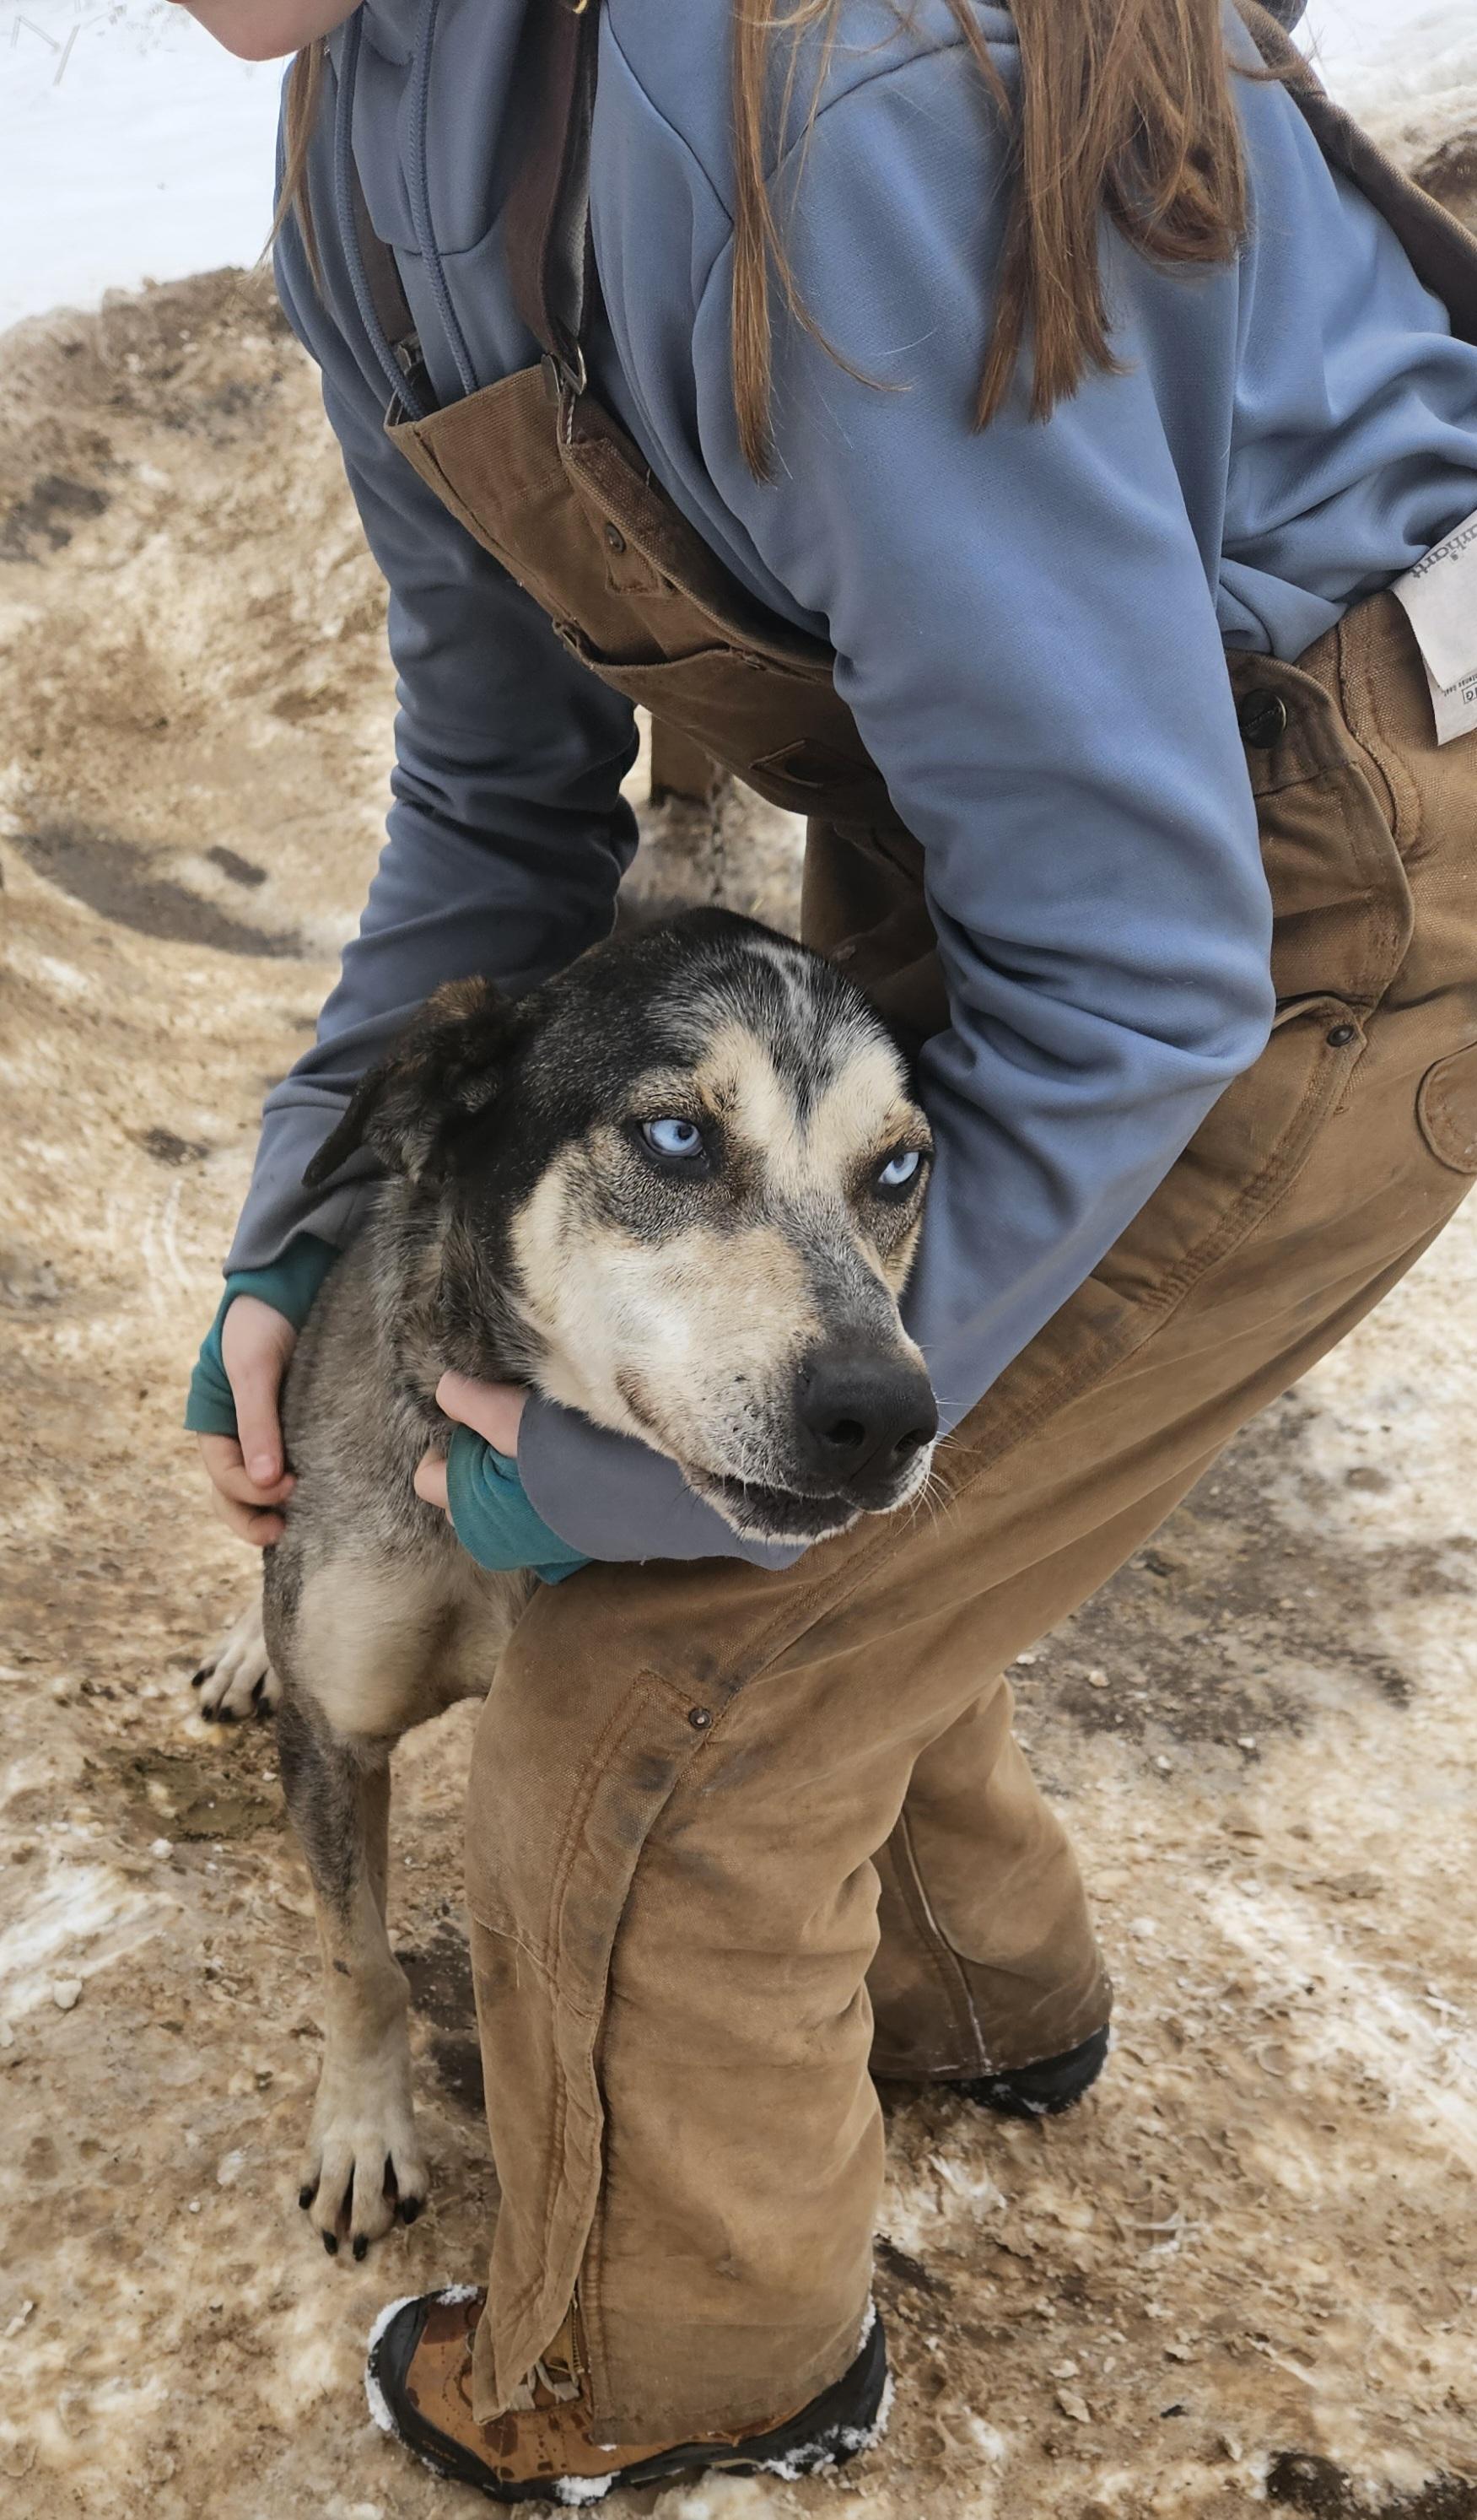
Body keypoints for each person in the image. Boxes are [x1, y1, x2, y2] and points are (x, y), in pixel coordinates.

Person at [177, 0, 1477, 2498]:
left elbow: (1140, 968)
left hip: (1308, 854)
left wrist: (616, 1506)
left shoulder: (804, 91)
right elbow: (490, 807)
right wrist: (298, 1231)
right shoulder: (366, 158)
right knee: (851, 1479)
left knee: (661, 1685)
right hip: (1018, 778)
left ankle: (691, 2370)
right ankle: (979, 1993)